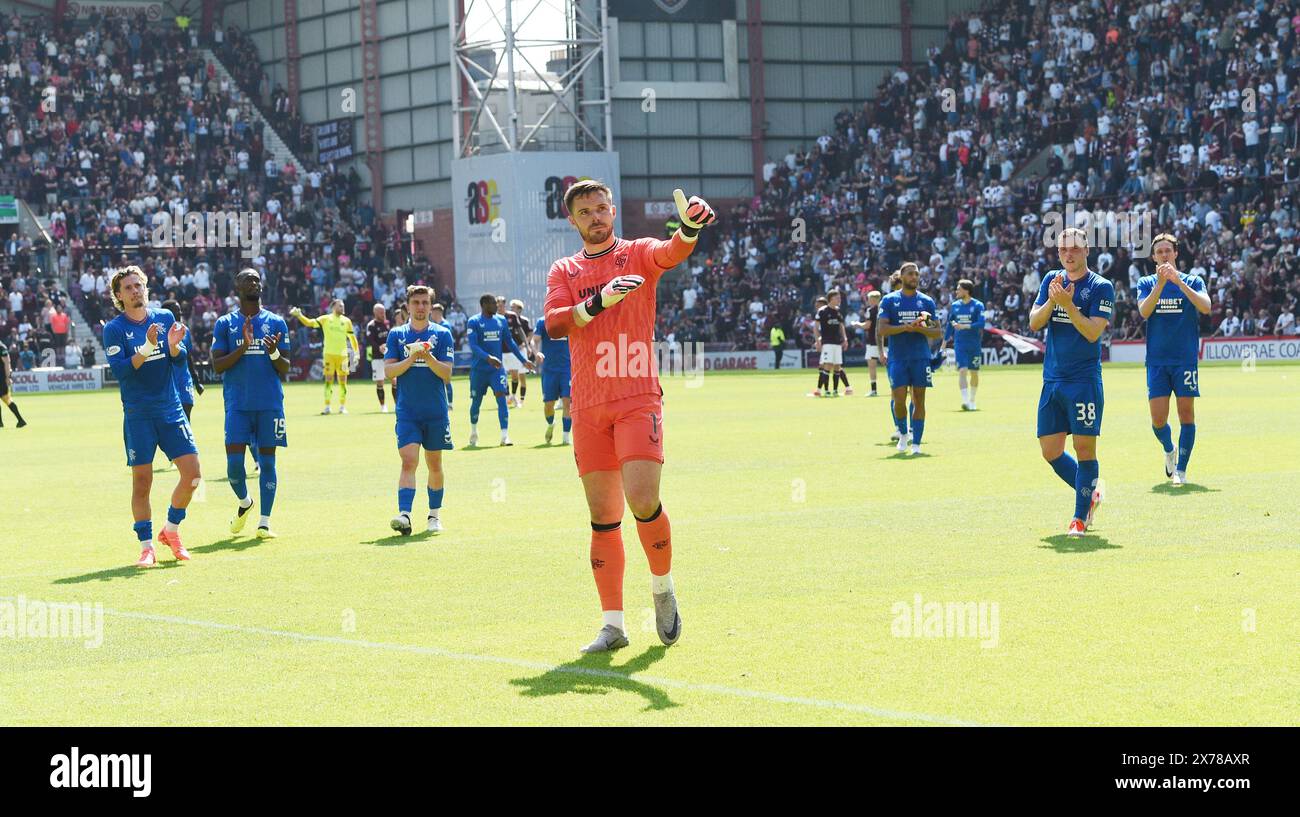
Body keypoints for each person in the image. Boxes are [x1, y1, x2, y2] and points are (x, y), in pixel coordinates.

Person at [542, 180, 716, 653]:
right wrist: (599, 301)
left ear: (613, 210)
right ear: (573, 220)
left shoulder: (638, 252)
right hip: (589, 404)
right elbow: (555, 324)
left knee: (642, 499)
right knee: (603, 516)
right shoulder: (565, 268)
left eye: (601, 208)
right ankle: (613, 625)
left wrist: (690, 226)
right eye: (585, 211)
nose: (596, 216)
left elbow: (672, 252)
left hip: (637, 393)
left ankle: (662, 589)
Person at [101, 266, 201, 567]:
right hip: (138, 414)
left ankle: (171, 530)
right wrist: (147, 346)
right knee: (142, 483)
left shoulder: (165, 318)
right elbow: (121, 371)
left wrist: (172, 347)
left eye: (139, 285)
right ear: (119, 295)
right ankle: (146, 547)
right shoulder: (114, 329)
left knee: (193, 477)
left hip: (170, 409)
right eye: (128, 287)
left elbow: (180, 359)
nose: (135, 290)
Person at [1028, 228, 1112, 537]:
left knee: (1084, 449)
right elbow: (1035, 321)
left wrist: (1068, 305)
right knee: (1050, 451)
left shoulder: (1100, 287)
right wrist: (1054, 301)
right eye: (1063, 248)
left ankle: (1079, 518)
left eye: (1074, 248)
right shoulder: (1053, 280)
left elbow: (1092, 332)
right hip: (1052, 381)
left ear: (1086, 249)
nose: (1068, 253)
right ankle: (1091, 490)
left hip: (1083, 382)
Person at [211, 269, 291, 539]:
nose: (253, 283)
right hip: (237, 404)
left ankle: (265, 522)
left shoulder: (277, 322)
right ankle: (245, 502)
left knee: (268, 463)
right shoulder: (225, 323)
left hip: (269, 403)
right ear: (237, 286)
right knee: (234, 465)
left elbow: (285, 368)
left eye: (257, 279)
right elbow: (217, 365)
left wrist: (274, 352)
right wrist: (244, 347)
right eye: (247, 279)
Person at [1137, 234, 1211, 486]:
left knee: (1186, 415)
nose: (1164, 255)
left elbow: (1206, 307)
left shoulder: (1192, 280)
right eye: (1160, 252)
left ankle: (1181, 469)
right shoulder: (1146, 282)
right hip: (1157, 361)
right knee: (1158, 420)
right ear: (1154, 257)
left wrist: (1178, 282)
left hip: (1185, 360)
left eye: (1168, 250)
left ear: (1176, 253)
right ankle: (1169, 448)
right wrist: (1160, 283)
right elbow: (1144, 312)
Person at [384, 285, 454, 535]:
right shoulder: (396, 334)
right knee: (409, 460)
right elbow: (389, 371)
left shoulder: (443, 334)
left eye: (425, 302)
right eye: (416, 302)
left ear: (430, 305)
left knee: (434, 464)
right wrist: (412, 358)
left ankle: (434, 515)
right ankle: (404, 514)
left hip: (435, 411)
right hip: (408, 412)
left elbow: (446, 374)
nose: (421, 307)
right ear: (408, 306)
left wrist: (429, 358)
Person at [878, 262, 941, 455]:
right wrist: (904, 327)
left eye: (917, 274)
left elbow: (936, 332)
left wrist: (919, 328)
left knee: (919, 400)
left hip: (920, 357)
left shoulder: (925, 302)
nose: (915, 277)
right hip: (897, 358)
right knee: (898, 399)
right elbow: (882, 329)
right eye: (911, 274)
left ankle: (917, 444)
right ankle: (903, 434)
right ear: (902, 276)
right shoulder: (889, 301)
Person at [466, 293, 534, 446]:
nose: (496, 306)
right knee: (476, 402)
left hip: (496, 370)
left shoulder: (501, 320)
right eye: (493, 303)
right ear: (484, 305)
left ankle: (505, 436)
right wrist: (488, 357)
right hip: (479, 370)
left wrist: (524, 361)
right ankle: (474, 432)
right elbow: (474, 346)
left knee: (502, 399)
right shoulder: (474, 321)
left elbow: (510, 342)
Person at [290, 299, 359, 414]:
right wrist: (299, 315)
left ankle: (342, 406)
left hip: (343, 356)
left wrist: (356, 354)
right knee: (328, 381)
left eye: (343, 306)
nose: (342, 308)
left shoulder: (347, 321)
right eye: (340, 306)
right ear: (334, 307)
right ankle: (327, 406)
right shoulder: (326, 319)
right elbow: (309, 323)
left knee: (343, 382)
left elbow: (353, 339)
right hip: (329, 355)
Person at [943, 279, 986, 410]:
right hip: (960, 344)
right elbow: (950, 325)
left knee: (974, 372)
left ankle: (972, 400)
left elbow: (981, 323)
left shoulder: (978, 305)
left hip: (974, 344)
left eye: (959, 289)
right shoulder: (955, 306)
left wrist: (964, 326)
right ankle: (965, 401)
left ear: (966, 291)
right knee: (962, 370)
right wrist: (944, 342)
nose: (956, 291)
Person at [532, 311, 572, 445]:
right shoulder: (543, 322)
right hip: (549, 370)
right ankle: (550, 424)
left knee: (567, 402)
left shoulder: (569, 320)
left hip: (567, 369)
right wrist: (537, 353)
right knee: (549, 404)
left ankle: (566, 437)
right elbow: (534, 340)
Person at [162, 299, 204, 421]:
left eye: (180, 310)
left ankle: (186, 439)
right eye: (176, 311)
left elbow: (188, 357)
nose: (179, 313)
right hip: (168, 381)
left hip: (184, 380)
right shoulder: (159, 333)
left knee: (187, 411)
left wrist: (196, 381)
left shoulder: (185, 330)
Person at [812, 292, 851, 396]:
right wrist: (817, 341)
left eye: (839, 298)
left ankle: (835, 390)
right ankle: (825, 390)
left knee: (837, 366)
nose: (839, 300)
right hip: (827, 342)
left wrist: (845, 338)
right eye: (837, 298)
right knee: (827, 365)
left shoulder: (838, 311)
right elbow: (815, 327)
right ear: (831, 299)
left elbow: (841, 326)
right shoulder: (822, 311)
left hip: (837, 343)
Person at [502, 298, 533, 407]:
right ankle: (510, 397)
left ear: (519, 309)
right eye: (511, 307)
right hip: (510, 351)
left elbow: (529, 334)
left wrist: (526, 345)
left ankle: (521, 400)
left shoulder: (524, 320)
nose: (511, 309)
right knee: (509, 374)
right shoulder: (505, 318)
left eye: (514, 307)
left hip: (521, 350)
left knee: (522, 376)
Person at [365, 303, 394, 413]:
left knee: (395, 380)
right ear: (375, 313)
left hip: (390, 357)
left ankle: (397, 405)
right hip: (377, 357)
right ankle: (383, 406)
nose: (383, 314)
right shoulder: (371, 325)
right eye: (381, 313)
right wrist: (379, 347)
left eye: (384, 312)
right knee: (380, 382)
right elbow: (369, 340)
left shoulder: (387, 323)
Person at [430, 302, 455, 410]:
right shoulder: (434, 325)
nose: (431, 314)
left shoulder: (445, 326)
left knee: (446, 379)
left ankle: (450, 403)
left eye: (433, 312)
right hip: (436, 355)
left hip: (444, 355)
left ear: (438, 312)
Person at [0, 336, 27, 427]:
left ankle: (20, 420)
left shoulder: (1, 347)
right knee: (6, 399)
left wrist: (8, 377)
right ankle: (19, 420)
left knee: (6, 399)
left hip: (1, 378)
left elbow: (7, 362)